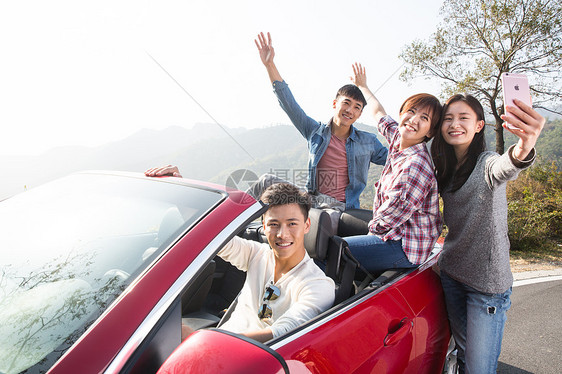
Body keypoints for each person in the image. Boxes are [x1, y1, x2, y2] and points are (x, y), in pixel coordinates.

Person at [431, 94, 544, 373]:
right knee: (465, 357)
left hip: (486, 287)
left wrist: (525, 145)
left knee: (480, 368)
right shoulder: (445, 167)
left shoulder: (487, 163)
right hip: (452, 275)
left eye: (463, 118)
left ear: (479, 125)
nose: (454, 124)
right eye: (448, 118)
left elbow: (508, 165)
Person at [179, 182, 335, 343]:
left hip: (250, 360)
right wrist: (182, 189)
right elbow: (210, 235)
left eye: (292, 224)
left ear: (307, 225)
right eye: (274, 224)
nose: (282, 234)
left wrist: (205, 340)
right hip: (217, 348)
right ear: (264, 226)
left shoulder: (318, 285)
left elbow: (282, 332)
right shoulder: (257, 254)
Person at [252, 32, 388, 213]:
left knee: (324, 216)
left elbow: (397, 158)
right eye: (346, 103)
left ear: (360, 113)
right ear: (335, 104)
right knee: (266, 181)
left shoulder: (368, 142)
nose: (350, 110)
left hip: (339, 209)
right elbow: (289, 104)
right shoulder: (315, 132)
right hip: (311, 200)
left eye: (356, 107)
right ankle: (229, 219)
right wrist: (270, 64)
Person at [340, 63, 442, 274]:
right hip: (394, 230)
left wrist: (364, 242)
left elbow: (389, 218)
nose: (414, 120)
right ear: (402, 112)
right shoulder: (399, 137)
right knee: (338, 227)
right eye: (411, 111)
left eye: (424, 118)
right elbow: (378, 113)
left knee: (336, 251)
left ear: (430, 131)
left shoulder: (417, 164)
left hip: (405, 245)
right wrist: (363, 86)